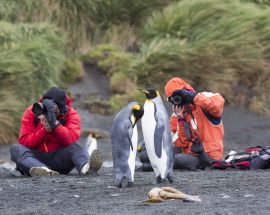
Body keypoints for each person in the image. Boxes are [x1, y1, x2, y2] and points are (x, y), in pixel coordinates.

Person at [10, 87, 103, 176]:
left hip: (60, 160)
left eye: (53, 109)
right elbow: (24, 142)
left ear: (61, 108)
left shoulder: (71, 114)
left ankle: (86, 168)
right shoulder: (33, 111)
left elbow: (70, 139)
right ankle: (43, 171)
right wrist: (44, 131)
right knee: (16, 149)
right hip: (36, 159)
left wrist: (55, 125)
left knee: (75, 147)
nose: (47, 111)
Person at [165, 77, 225, 169]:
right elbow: (180, 144)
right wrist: (181, 120)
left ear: (187, 90)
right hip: (190, 155)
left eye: (180, 95)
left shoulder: (205, 98)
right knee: (159, 154)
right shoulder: (177, 115)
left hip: (210, 156)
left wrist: (193, 97)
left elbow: (217, 106)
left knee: (176, 160)